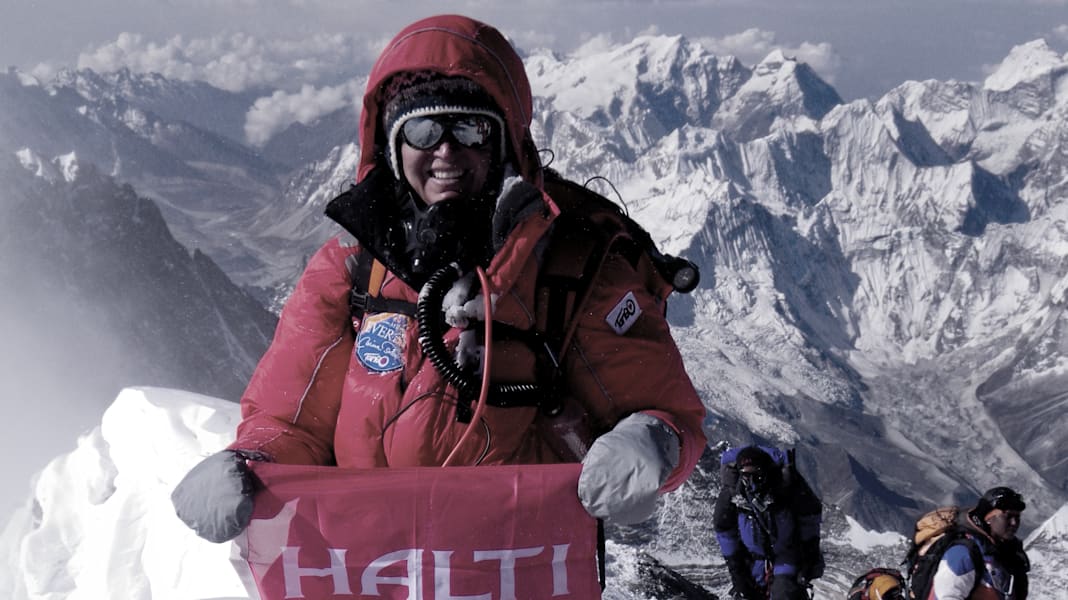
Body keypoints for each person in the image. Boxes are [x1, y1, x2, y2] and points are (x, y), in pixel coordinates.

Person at [170, 13, 707, 544]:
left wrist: (650, 442)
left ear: (503, 145)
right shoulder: (351, 271)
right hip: (374, 568)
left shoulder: (575, 270)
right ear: (393, 147)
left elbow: (668, 414)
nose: (445, 150)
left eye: (471, 128)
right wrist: (249, 462)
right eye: (423, 129)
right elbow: (292, 421)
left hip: (516, 565)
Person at [713, 445, 823, 600]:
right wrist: (738, 573)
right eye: (746, 476)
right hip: (752, 562)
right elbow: (724, 530)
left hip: (786, 556)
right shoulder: (733, 494)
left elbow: (809, 519)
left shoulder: (785, 490)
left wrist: (809, 558)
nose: (751, 483)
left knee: (784, 592)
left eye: (756, 476)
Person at [927, 486, 1030, 599]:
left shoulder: (1007, 553)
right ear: (988, 518)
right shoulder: (963, 553)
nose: (1014, 523)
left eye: (1017, 517)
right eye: (1008, 516)